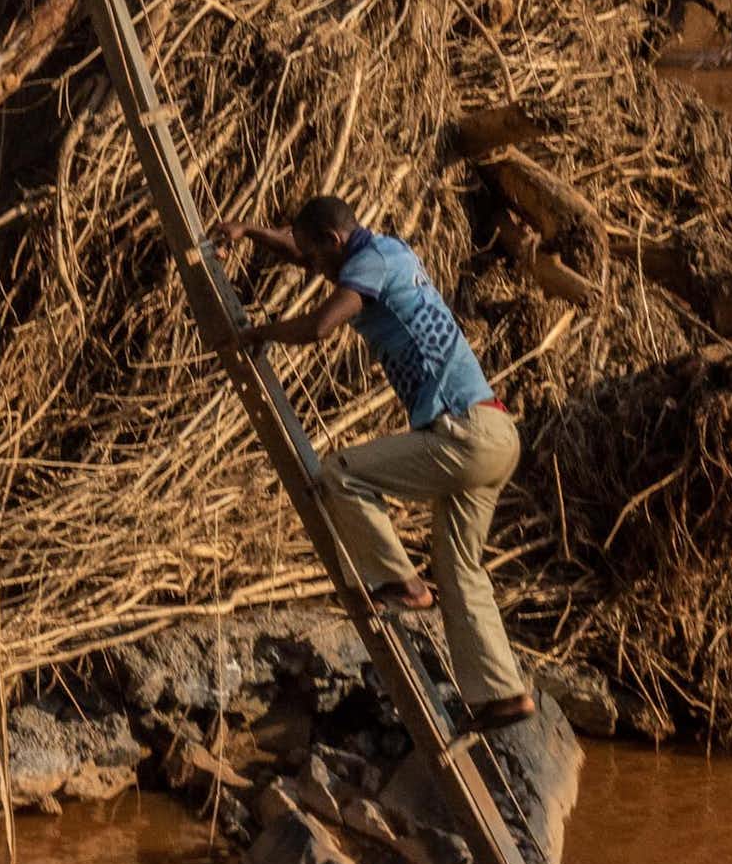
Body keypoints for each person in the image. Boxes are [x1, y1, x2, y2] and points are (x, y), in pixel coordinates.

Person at [208, 195, 537, 733]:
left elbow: (320, 327)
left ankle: (401, 583)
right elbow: (301, 249)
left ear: (335, 243)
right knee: (461, 571)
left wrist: (261, 334)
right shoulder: (385, 251)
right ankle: (503, 695)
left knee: (342, 472)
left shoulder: (371, 265)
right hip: (495, 432)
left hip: (464, 433)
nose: (312, 268)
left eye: (317, 258)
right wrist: (248, 229)